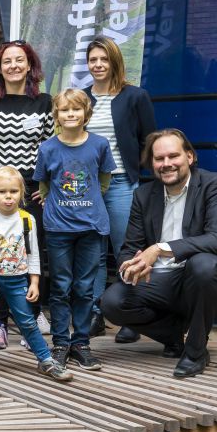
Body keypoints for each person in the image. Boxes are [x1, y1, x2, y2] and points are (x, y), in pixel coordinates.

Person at [100, 129, 217, 378]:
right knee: (112, 302)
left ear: (190, 156)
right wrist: (132, 265)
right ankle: (174, 336)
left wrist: (160, 249)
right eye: (159, 158)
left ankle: (196, 351)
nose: (166, 164)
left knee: (203, 265)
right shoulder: (143, 195)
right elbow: (129, 248)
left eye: (173, 156)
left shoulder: (214, 184)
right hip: (159, 280)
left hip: (200, 278)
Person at [0, 40, 54, 348]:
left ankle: (31, 316)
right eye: (7, 61)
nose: (13, 66)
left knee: (29, 252)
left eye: (20, 60)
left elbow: (50, 149)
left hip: (31, 192)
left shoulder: (44, 103)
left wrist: (45, 187)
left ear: (30, 65)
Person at [0, 167, 72, 385]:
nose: (8, 197)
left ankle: (46, 360)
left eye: (13, 191)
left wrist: (35, 282)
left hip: (17, 280)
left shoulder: (27, 219)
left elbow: (33, 253)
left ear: (22, 192)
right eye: (2, 192)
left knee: (28, 322)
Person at [34, 88, 114, 371]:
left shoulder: (100, 144)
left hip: (91, 226)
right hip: (58, 228)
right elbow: (43, 183)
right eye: (65, 110)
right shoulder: (48, 148)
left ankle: (81, 342)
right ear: (56, 115)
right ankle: (60, 343)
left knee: (84, 287)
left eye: (76, 109)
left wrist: (91, 198)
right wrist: (49, 198)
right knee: (60, 286)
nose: (71, 114)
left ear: (86, 113)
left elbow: (104, 179)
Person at [84, 36, 157, 342]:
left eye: (104, 59)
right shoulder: (81, 97)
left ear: (114, 61)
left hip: (121, 184)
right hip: (85, 188)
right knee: (93, 253)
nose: (98, 65)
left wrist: (139, 176)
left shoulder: (135, 96)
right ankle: (96, 313)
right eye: (93, 60)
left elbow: (148, 141)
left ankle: (131, 316)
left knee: (126, 250)